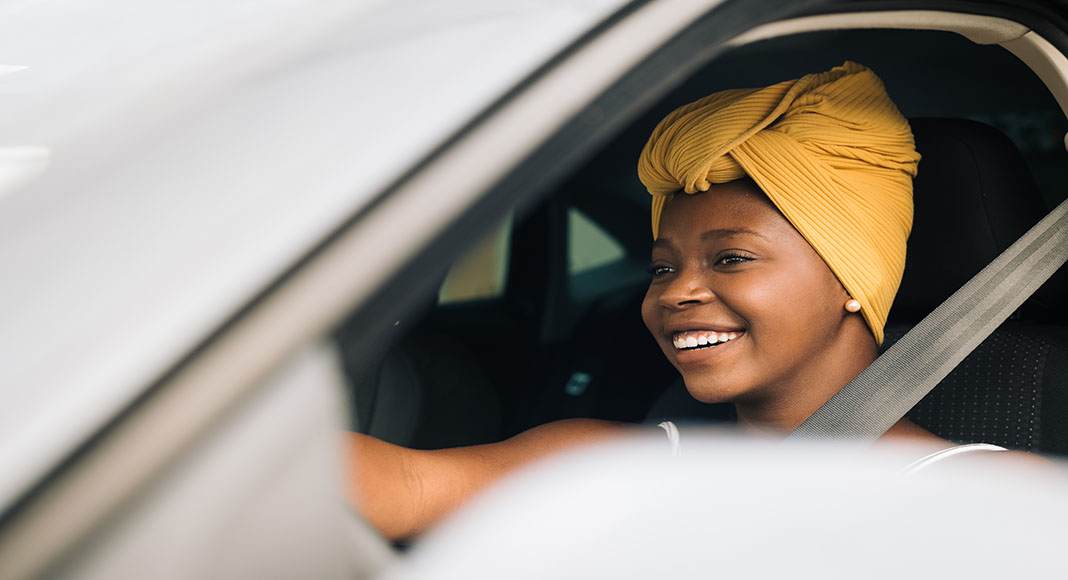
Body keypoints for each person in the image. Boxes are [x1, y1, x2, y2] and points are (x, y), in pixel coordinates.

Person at [342, 62, 1022, 541]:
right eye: (661, 267)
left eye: (730, 258)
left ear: (850, 279)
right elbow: (408, 487)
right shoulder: (616, 461)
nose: (676, 292)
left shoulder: (992, 500)